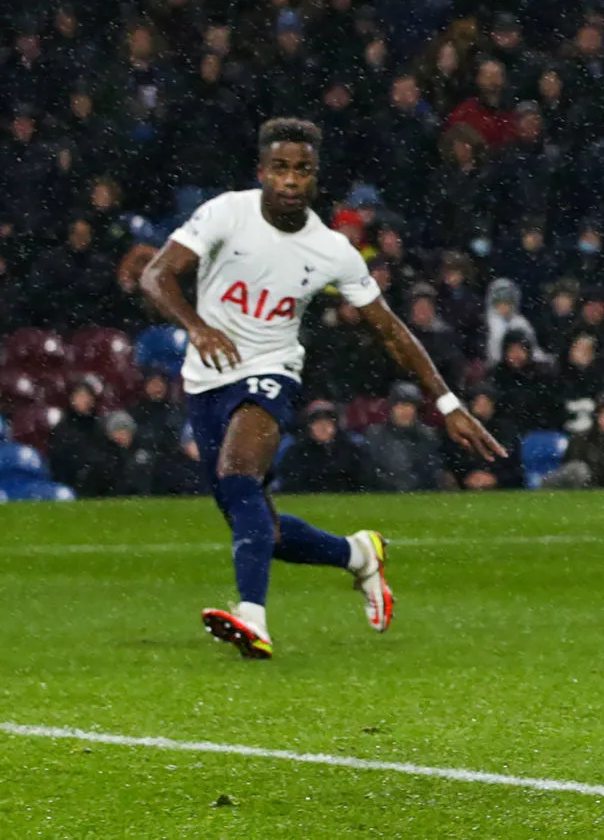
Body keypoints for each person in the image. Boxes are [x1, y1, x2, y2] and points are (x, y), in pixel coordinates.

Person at [138, 117, 504, 660]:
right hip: (205, 377)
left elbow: (391, 331)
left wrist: (448, 403)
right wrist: (197, 326)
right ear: (262, 172)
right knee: (258, 522)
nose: (291, 180)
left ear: (316, 177)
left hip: (272, 369)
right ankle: (357, 555)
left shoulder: (332, 250)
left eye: (302, 170)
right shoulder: (225, 213)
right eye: (281, 168)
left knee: (239, 477)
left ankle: (252, 618)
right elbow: (155, 275)